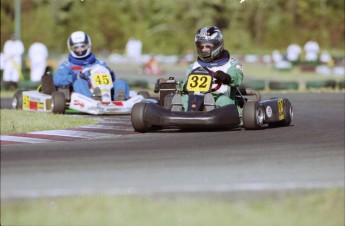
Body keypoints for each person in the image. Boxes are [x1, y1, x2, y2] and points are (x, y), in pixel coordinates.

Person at [172, 26, 244, 112]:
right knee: (184, 98)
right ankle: (177, 111)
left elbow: (237, 79)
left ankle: (212, 109)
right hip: (195, 99)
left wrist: (226, 77)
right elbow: (185, 86)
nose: (204, 50)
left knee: (223, 101)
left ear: (217, 45)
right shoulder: (194, 66)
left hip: (221, 98)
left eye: (207, 46)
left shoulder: (232, 64)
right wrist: (185, 86)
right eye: (201, 47)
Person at [53, 31, 129, 100]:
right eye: (76, 47)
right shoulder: (67, 64)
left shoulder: (99, 62)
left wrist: (110, 73)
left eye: (82, 46)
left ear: (88, 45)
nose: (80, 50)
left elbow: (112, 78)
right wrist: (74, 77)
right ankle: (92, 98)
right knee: (79, 82)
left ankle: (119, 97)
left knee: (120, 82)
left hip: (105, 89)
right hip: (82, 91)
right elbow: (57, 80)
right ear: (71, 48)